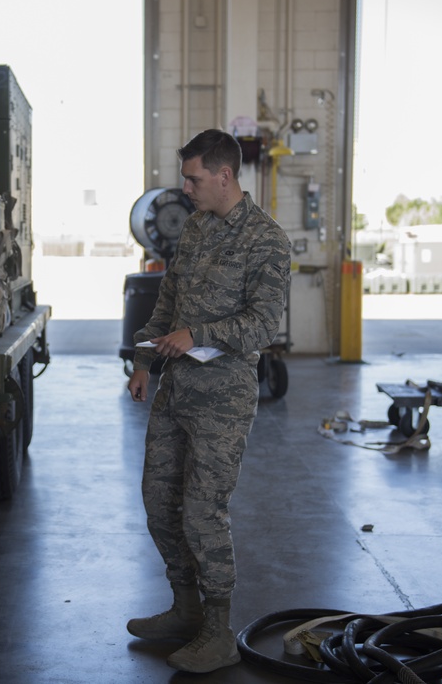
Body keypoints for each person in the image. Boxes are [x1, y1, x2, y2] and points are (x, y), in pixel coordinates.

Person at [126, 128, 291, 673]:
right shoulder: (195, 229)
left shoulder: (266, 240)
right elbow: (167, 301)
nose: (186, 189)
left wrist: (198, 335)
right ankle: (185, 608)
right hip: (175, 390)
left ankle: (217, 632)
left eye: (194, 179)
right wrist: (145, 359)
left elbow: (265, 323)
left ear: (224, 176)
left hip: (223, 398)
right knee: (159, 504)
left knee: (202, 512)